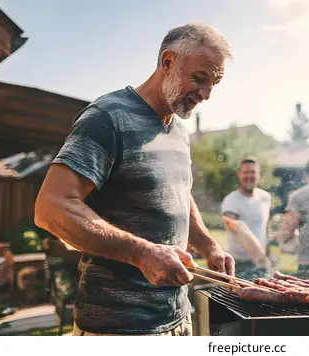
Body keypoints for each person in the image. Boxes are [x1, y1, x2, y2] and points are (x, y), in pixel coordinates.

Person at [34, 22, 235, 336]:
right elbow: (51, 207)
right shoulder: (106, 117)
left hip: (178, 319)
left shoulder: (179, 129)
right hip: (119, 328)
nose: (206, 94)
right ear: (167, 62)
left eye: (214, 84)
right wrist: (142, 253)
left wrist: (209, 246)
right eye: (199, 78)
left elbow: (178, 194)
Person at [220, 157, 272, 279]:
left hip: (261, 261)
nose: (249, 176)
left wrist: (267, 255)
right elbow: (234, 227)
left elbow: (265, 226)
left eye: (253, 172)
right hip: (239, 264)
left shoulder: (265, 197)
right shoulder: (231, 201)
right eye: (245, 172)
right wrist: (259, 255)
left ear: (259, 175)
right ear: (239, 174)